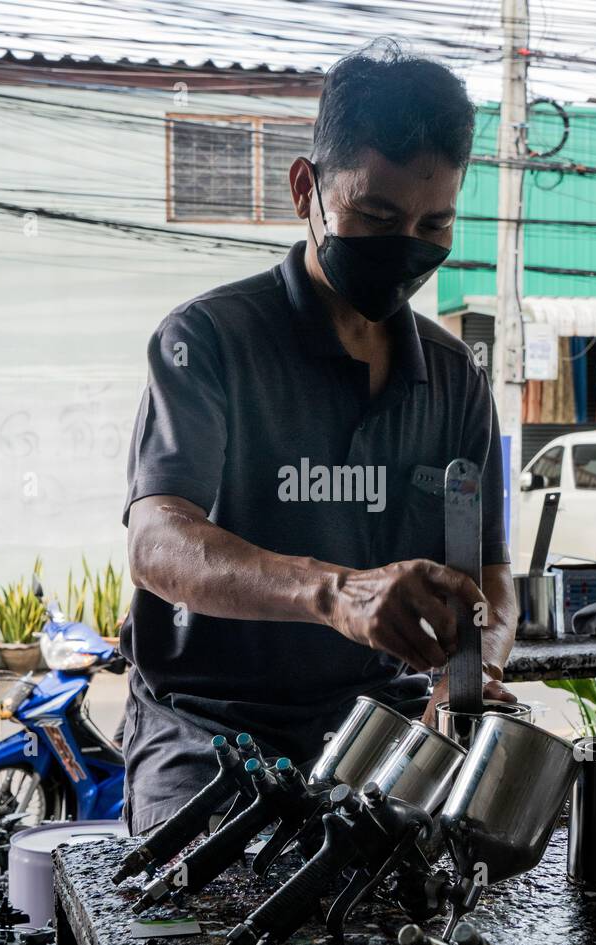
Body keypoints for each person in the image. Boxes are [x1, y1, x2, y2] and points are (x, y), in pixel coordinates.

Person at [120, 42, 516, 835]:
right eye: (375, 216)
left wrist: (474, 675)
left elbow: (492, 586)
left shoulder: (454, 379)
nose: (407, 243)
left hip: (385, 728)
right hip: (211, 730)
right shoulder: (208, 342)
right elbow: (156, 543)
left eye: (433, 223)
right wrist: (334, 593)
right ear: (306, 187)